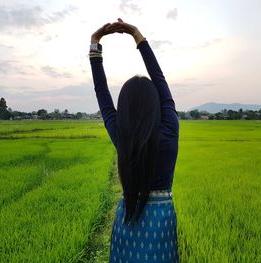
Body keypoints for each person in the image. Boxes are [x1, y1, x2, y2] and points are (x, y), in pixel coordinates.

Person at [89, 18, 180, 263]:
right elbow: (159, 79)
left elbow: (102, 92)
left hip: (128, 219)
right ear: (156, 106)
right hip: (162, 221)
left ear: (124, 110)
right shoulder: (169, 131)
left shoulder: (122, 136)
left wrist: (95, 45)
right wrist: (136, 34)